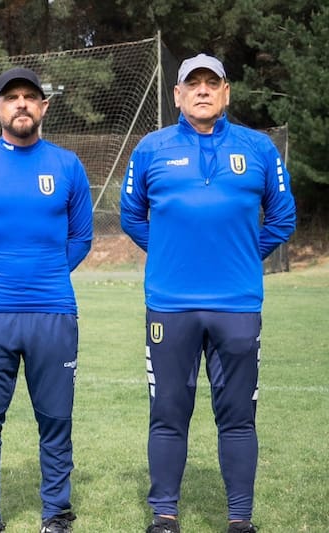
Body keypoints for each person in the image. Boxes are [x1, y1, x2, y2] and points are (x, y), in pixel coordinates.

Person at [120, 53, 296, 533]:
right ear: (177, 95)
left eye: (210, 83)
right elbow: (131, 216)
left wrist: (235, 253)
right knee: (168, 415)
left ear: (225, 92)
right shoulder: (151, 149)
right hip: (170, 306)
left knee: (238, 417)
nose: (201, 90)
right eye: (191, 84)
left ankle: (239, 519)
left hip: (237, 305)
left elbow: (283, 217)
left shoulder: (258, 149)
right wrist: (172, 252)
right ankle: (165, 516)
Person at [0, 67, 93, 533]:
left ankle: (56, 514)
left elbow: (82, 238)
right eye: (12, 98)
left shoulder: (68, 165)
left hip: (53, 315)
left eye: (31, 96)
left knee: (55, 421)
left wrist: (43, 277)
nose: (22, 104)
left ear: (44, 106)